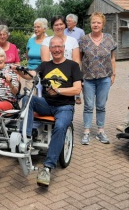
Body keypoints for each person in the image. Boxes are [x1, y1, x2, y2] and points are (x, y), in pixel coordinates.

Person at [16, 36, 82, 187]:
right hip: (46, 103)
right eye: (54, 47)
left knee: (60, 127)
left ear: (64, 48)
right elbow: (31, 75)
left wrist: (58, 90)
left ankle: (48, 167)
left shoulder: (72, 66)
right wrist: (19, 71)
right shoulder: (45, 65)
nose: (57, 49)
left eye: (59, 47)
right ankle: (25, 139)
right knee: (27, 99)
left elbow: (77, 89)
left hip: (65, 106)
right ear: (50, 49)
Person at [79, 12, 117, 145]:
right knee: (88, 106)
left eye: (98, 22)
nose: (96, 24)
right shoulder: (83, 39)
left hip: (104, 78)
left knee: (101, 106)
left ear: (103, 24)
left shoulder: (109, 38)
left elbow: (112, 58)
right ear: (90, 24)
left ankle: (101, 131)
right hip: (88, 78)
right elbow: (79, 59)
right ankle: (86, 132)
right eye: (93, 22)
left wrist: (113, 74)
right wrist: (79, 77)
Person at [64, 14, 85, 105]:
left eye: (69, 21)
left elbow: (83, 44)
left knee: (76, 75)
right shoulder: (64, 31)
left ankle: (77, 95)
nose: (67, 22)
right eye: (67, 21)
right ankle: (67, 92)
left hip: (77, 56)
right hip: (66, 56)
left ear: (75, 22)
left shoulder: (80, 32)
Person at [26, 18, 50, 93]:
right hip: (30, 73)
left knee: (42, 98)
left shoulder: (49, 41)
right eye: (35, 27)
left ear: (44, 29)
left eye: (38, 27)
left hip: (44, 73)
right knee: (29, 97)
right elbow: (27, 56)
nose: (36, 29)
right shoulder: (30, 41)